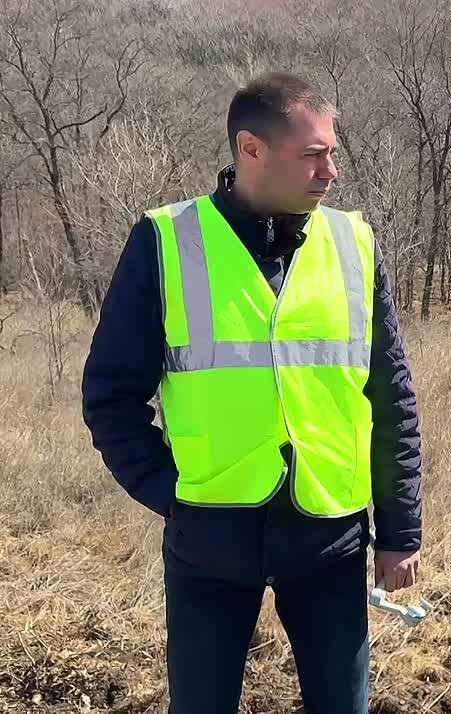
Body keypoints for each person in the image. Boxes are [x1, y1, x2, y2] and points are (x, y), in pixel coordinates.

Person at [81, 72, 423, 714]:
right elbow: (109, 395)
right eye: (313, 154)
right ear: (251, 150)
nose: (332, 171)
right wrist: (171, 493)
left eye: (333, 152)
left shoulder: (352, 243)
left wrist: (400, 529)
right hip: (209, 538)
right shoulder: (166, 241)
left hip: (331, 535)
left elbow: (391, 396)